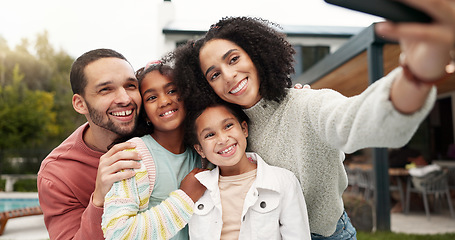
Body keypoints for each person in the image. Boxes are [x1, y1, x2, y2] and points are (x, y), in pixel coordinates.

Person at [171, 0, 455, 238]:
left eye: (233, 59)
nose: (229, 75)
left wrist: (417, 74)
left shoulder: (307, 104)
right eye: (214, 74)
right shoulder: (227, 130)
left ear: (256, 55)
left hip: (327, 234)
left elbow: (361, 120)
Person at [38, 48, 145, 239]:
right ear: (80, 104)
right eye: (105, 89)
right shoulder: (56, 174)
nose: (125, 98)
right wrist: (99, 200)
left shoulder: (160, 130)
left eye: (130, 86)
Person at [101, 60, 206, 240]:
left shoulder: (203, 152)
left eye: (172, 91)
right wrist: (185, 198)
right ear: (145, 114)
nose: (165, 101)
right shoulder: (134, 154)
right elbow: (118, 233)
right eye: (151, 97)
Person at [185, 100, 310, 239]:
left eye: (228, 126)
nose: (222, 139)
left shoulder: (283, 182)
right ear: (200, 149)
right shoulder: (197, 188)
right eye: (210, 135)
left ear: (244, 129)